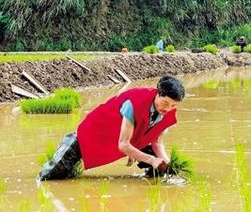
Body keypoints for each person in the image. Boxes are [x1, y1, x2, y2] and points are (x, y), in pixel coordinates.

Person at [38, 76, 185, 180]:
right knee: (50, 177)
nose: (168, 109)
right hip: (90, 136)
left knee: (157, 162)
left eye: (173, 105)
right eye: (166, 103)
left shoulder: (167, 113)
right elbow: (123, 144)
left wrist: (167, 164)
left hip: (119, 140)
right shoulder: (134, 103)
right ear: (158, 93)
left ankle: (151, 182)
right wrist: (152, 160)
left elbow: (157, 143)